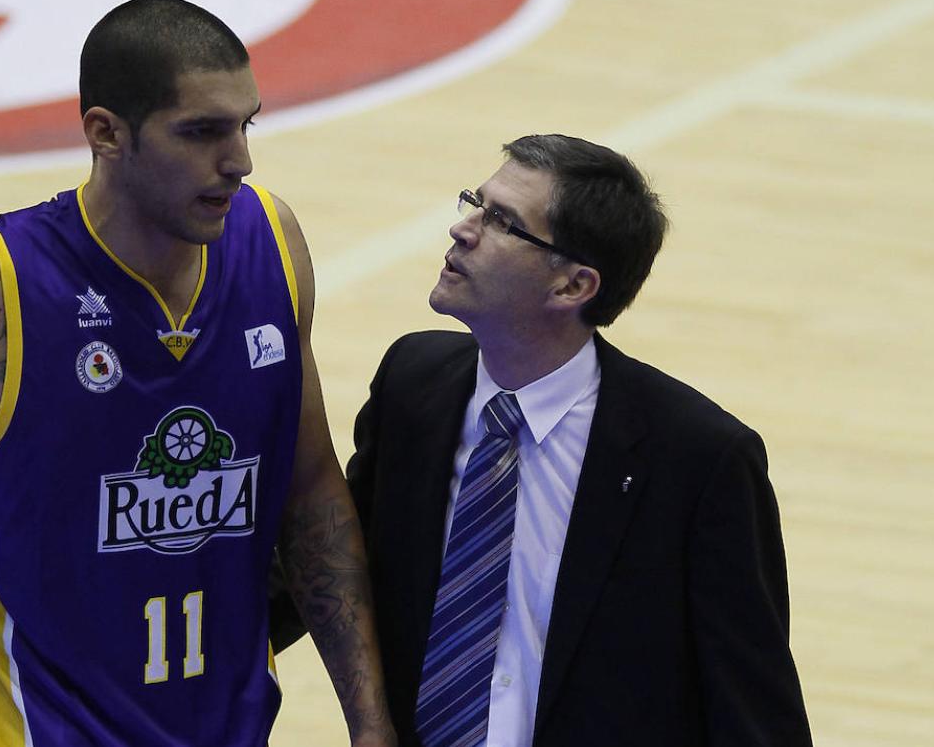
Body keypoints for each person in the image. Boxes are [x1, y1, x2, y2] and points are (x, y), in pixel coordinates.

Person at [0, 0, 394, 747]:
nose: (239, 161)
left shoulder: (273, 242)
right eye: (201, 132)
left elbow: (312, 496)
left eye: (245, 125)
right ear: (105, 133)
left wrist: (370, 724)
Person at [275, 134, 812, 745]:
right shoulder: (412, 385)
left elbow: (752, 700)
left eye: (502, 222)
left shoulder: (698, 458)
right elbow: (334, 559)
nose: (463, 230)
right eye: (474, 203)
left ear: (573, 287)